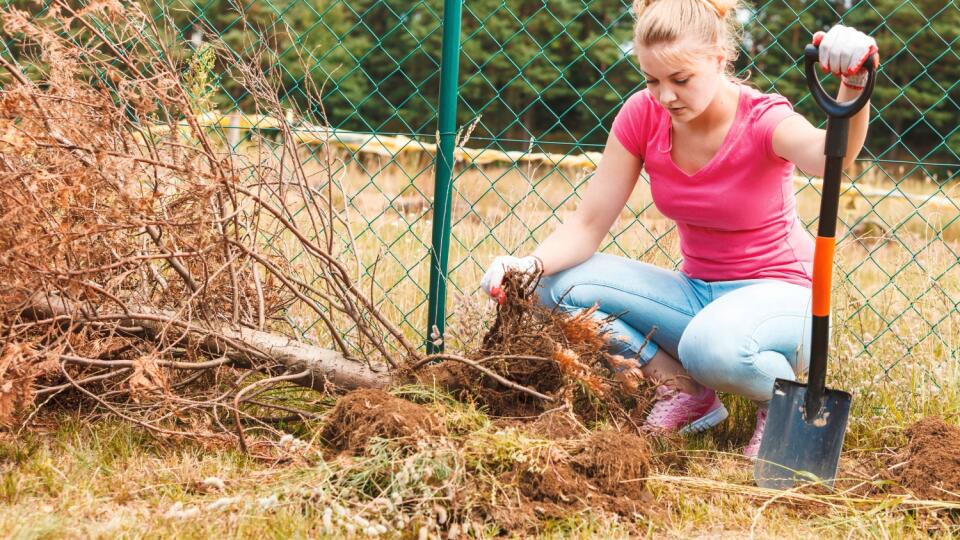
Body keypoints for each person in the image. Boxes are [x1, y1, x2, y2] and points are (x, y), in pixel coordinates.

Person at [479, 0, 878, 457]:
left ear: (719, 59)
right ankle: (687, 393)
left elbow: (832, 155)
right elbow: (588, 224)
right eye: (652, 80)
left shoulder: (763, 117)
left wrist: (854, 84)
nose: (665, 96)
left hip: (785, 298)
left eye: (681, 80)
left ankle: (779, 401)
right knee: (552, 286)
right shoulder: (642, 116)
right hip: (698, 294)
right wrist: (526, 264)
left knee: (712, 346)